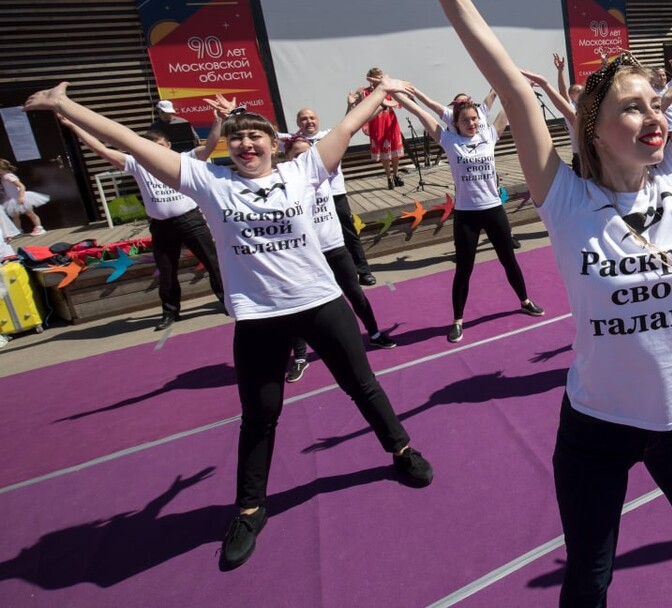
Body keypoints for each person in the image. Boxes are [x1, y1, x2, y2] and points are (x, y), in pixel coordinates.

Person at [347, 0, 672, 608]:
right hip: (595, 431)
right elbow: (504, 80)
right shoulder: (564, 198)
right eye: (633, 106)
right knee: (588, 578)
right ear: (592, 129)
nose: (654, 115)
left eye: (657, 103)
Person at [25, 76, 434, 569]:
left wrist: (384, 89)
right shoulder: (208, 181)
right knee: (259, 417)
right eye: (237, 136)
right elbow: (129, 142)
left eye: (256, 134)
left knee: (363, 387)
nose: (246, 142)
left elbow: (350, 123)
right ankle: (249, 508)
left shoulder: (305, 170)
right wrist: (65, 105)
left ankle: (402, 450)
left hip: (321, 303)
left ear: (272, 144)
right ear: (227, 146)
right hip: (260, 318)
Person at [391, 89, 543, 344]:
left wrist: (520, 86)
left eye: (474, 119)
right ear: (455, 122)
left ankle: (525, 300)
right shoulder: (449, 141)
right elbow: (419, 112)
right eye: (465, 120)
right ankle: (458, 321)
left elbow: (510, 104)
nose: (471, 123)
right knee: (464, 269)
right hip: (466, 215)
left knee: (509, 260)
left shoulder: (489, 135)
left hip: (494, 210)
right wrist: (396, 93)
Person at [61, 101, 227, 331]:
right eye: (150, 147)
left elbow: (209, 146)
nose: (155, 150)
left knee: (213, 263)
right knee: (167, 271)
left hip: (190, 220)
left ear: (168, 145)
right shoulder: (136, 163)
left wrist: (218, 120)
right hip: (161, 226)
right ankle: (170, 313)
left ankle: (226, 300)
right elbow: (101, 150)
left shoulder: (184, 159)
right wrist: (74, 126)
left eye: (159, 145)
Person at [280, 133, 395, 383]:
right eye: (297, 155)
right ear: (286, 159)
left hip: (334, 248)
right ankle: (300, 357)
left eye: (307, 153)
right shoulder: (283, 182)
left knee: (355, 294)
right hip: (304, 256)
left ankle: (374, 334)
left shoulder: (323, 173)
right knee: (299, 307)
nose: (304, 159)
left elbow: (344, 135)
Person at [294, 106, 376, 286]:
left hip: (336, 194)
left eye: (312, 117)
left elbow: (354, 122)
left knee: (349, 233)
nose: (309, 121)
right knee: (311, 236)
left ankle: (363, 271)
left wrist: (380, 105)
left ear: (318, 120)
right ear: (298, 123)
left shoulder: (328, 135)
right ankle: (324, 277)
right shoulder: (292, 141)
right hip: (309, 198)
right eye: (304, 118)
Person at [359, 67, 405, 189]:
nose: (380, 77)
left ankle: (396, 175)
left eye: (381, 75)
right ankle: (389, 177)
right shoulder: (367, 92)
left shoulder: (388, 89)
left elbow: (398, 102)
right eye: (377, 75)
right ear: (371, 77)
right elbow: (364, 109)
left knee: (395, 151)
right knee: (385, 152)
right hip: (377, 122)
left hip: (390, 120)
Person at [0, 159, 49, 236]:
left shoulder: (9, 176)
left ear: (3, 169)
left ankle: (39, 228)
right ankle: (18, 231)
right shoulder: (3, 177)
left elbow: (22, 186)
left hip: (20, 197)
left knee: (30, 213)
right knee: (15, 216)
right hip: (11, 200)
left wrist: (21, 197)